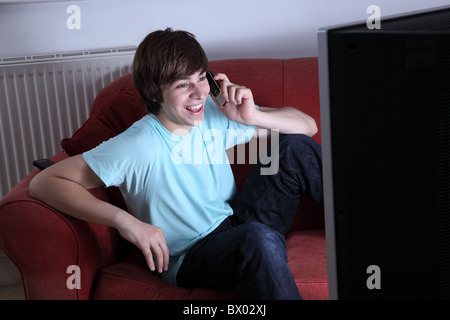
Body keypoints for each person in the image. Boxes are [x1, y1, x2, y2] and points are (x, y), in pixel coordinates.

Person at [29, 28, 323, 300]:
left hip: (237, 223)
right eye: (183, 85)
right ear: (155, 91)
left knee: (293, 148)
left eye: (200, 78)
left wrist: (252, 118)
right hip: (192, 255)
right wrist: (125, 222)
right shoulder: (139, 144)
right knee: (258, 239)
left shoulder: (213, 110)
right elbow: (45, 182)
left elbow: (306, 127)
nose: (198, 93)